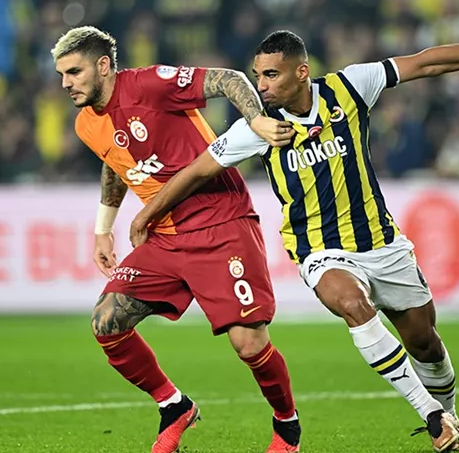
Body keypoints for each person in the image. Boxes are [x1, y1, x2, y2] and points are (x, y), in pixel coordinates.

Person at [130, 30, 459, 452]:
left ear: (301, 72)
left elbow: (425, 63)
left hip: (382, 243)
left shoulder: (350, 88)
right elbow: (196, 171)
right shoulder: (259, 128)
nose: (261, 86)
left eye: (271, 75)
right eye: (258, 75)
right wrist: (147, 213)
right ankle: (433, 417)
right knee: (352, 304)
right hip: (319, 250)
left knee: (425, 344)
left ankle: (452, 421)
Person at [52, 26, 301, 453]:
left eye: (74, 72)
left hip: (221, 222)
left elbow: (228, 79)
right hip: (165, 237)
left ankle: (287, 425)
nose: (65, 83)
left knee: (248, 343)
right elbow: (115, 160)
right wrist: (102, 229)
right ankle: (174, 406)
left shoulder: (148, 84)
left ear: (103, 66)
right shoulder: (85, 123)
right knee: (107, 322)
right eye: (61, 74)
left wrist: (256, 119)